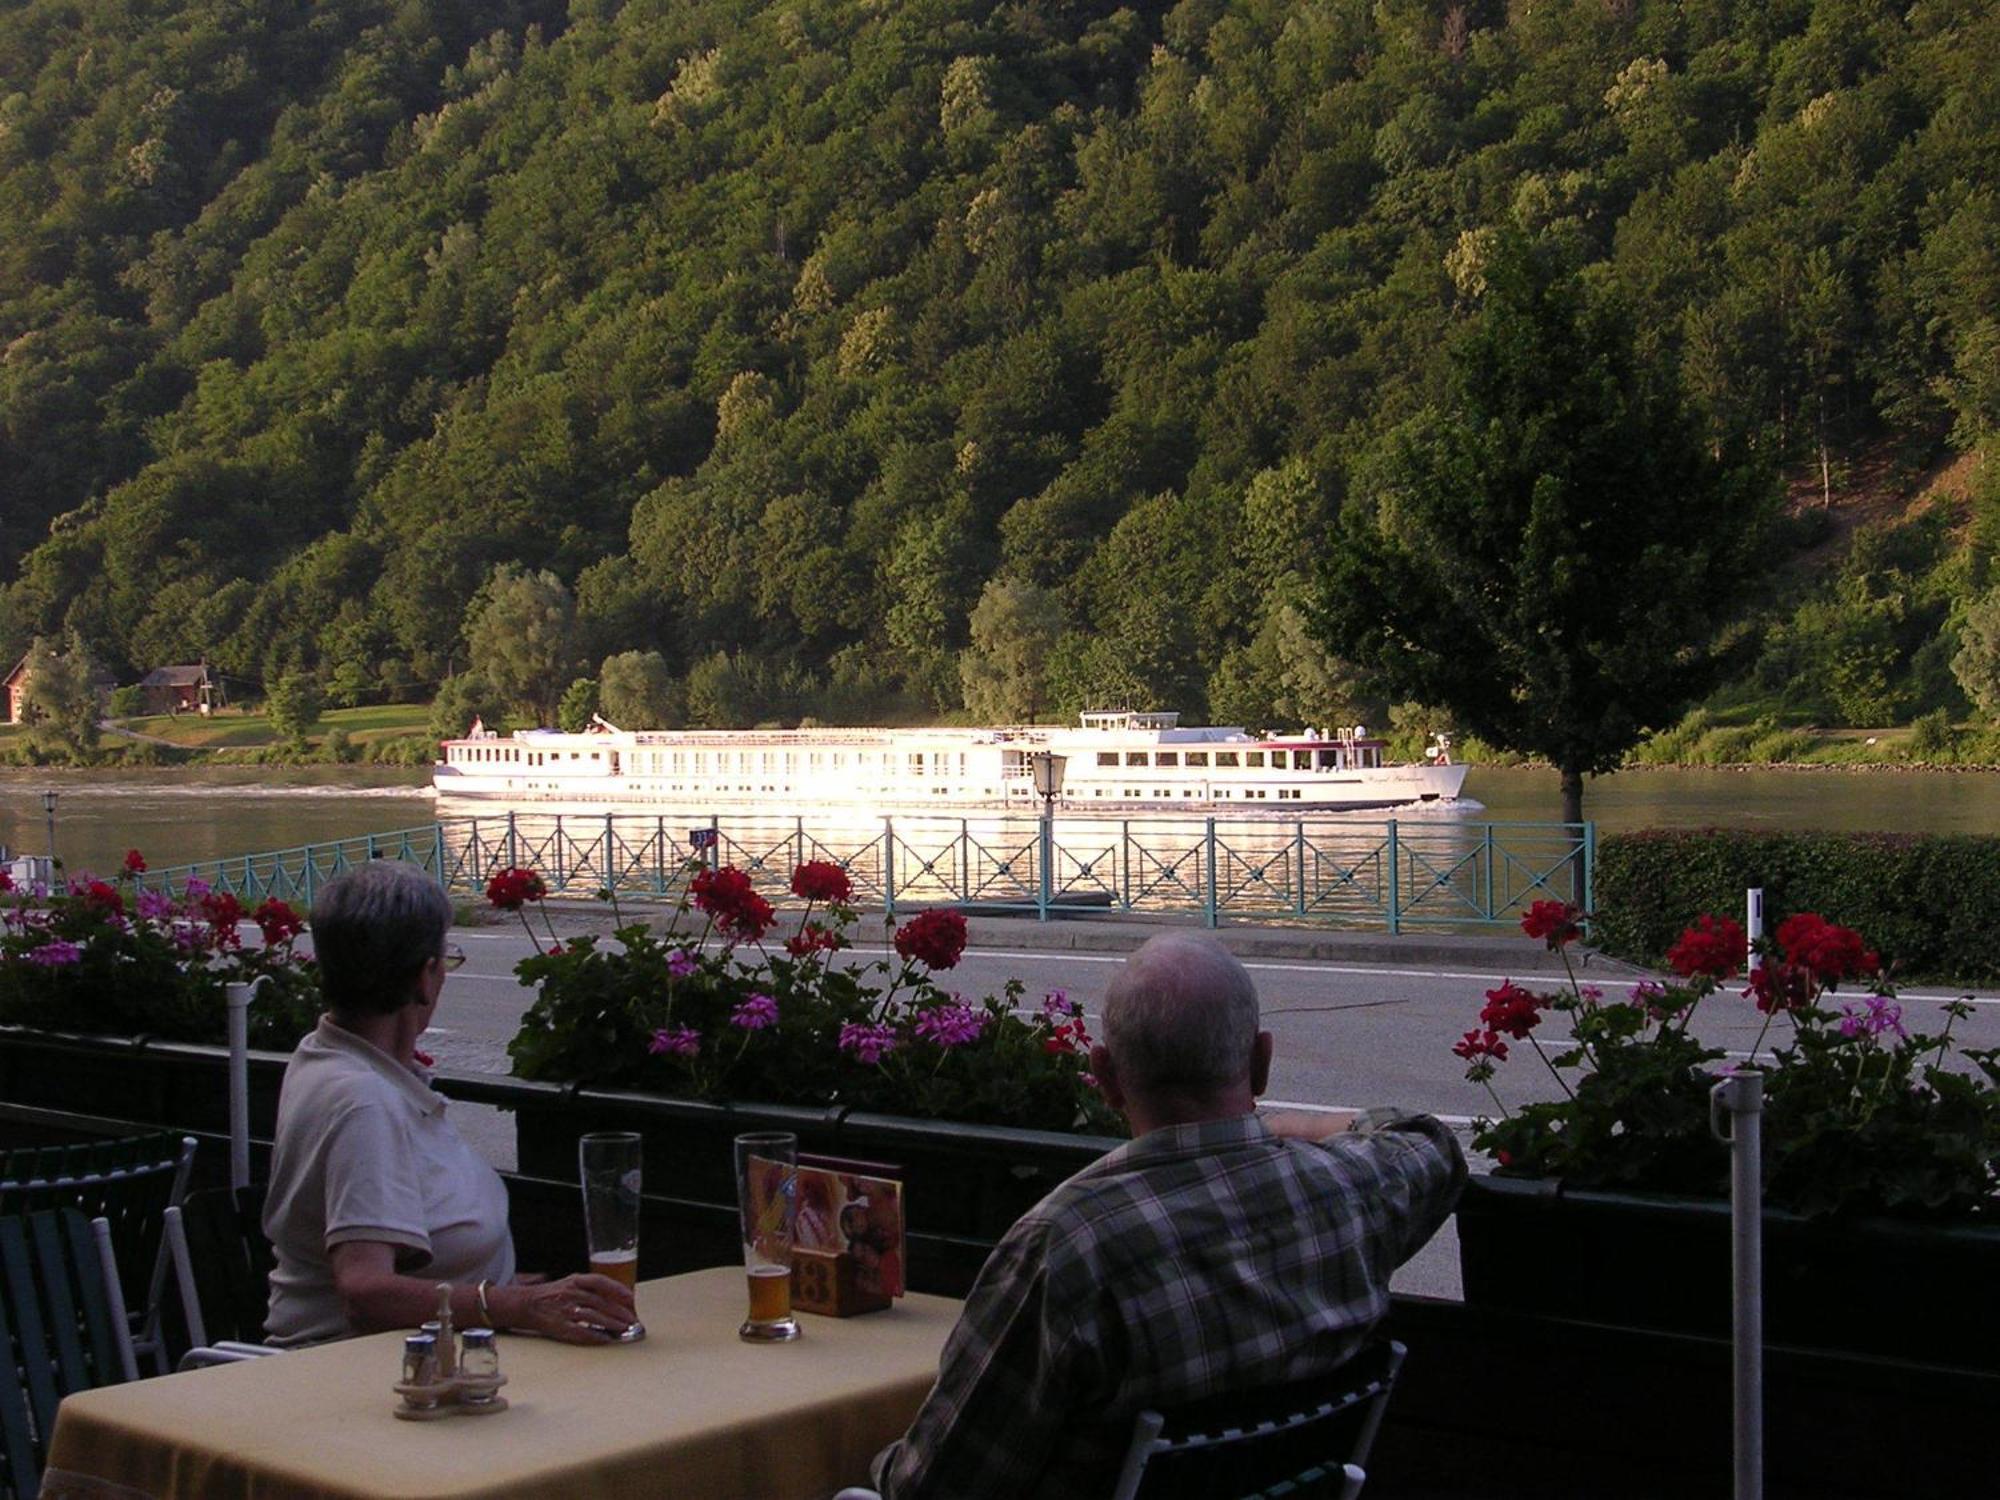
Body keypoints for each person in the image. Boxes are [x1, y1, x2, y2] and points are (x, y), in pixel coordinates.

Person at [872, 930, 1465, 1499]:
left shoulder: (1067, 1247)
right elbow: (1427, 1139)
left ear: (1104, 1077)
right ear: (1261, 1063)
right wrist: (1279, 1128)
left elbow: (930, 1487)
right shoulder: (1351, 1189)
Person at [262, 860, 636, 1347]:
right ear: (424, 976)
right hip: (369, 1380)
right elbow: (364, 1292)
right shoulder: (363, 1100)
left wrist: (503, 1289)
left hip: (433, 1359)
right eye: (445, 959)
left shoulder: (333, 1060)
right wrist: (513, 1305)